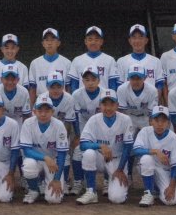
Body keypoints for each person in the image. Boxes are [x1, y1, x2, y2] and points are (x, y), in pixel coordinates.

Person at [76, 90, 133, 205]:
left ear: (117, 105)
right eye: (104, 104)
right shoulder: (94, 120)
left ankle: (111, 184)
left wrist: (120, 169)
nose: (108, 108)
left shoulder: (125, 119)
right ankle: (91, 191)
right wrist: (100, 145)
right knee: (88, 153)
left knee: (117, 199)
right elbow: (83, 144)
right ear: (99, 105)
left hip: (117, 160)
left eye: (111, 104)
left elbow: (128, 146)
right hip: (100, 158)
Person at [20, 96, 69, 204]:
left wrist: (56, 179)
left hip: (53, 162)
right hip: (36, 159)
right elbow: (27, 151)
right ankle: (34, 190)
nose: (43, 114)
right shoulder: (28, 123)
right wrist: (45, 158)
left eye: (47, 111)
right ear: (34, 111)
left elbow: (62, 153)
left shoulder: (59, 125)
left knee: (53, 199)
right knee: (28, 166)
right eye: (40, 111)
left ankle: (50, 183)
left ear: (52, 111)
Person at [37, 71, 78, 192]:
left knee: (65, 155)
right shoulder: (41, 98)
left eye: (58, 86)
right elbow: (38, 120)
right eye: (52, 87)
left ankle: (64, 181)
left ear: (63, 86)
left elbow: (68, 123)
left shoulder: (69, 99)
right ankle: (41, 181)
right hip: (45, 130)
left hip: (62, 130)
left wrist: (63, 140)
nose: (55, 90)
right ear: (47, 86)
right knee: (44, 154)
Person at [133, 105, 176, 207]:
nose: (160, 124)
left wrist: (171, 186)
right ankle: (148, 194)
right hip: (147, 165)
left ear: (168, 122)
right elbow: (136, 150)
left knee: (170, 201)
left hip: (164, 171)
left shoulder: (173, 137)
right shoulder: (145, 131)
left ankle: (157, 189)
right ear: (150, 121)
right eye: (156, 120)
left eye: (163, 121)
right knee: (146, 158)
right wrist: (155, 151)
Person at [117, 64, 158, 184]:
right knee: (127, 144)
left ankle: (153, 176)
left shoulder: (152, 90)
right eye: (132, 78)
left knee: (149, 143)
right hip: (129, 117)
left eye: (138, 78)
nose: (135, 81)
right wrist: (123, 128)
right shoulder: (122, 89)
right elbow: (122, 111)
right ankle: (129, 174)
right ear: (128, 78)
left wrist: (150, 130)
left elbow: (152, 114)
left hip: (145, 117)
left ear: (144, 77)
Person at [69, 66, 107, 196]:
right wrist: (78, 134)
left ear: (99, 79)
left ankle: (107, 182)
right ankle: (78, 182)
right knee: (78, 150)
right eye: (87, 79)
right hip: (84, 123)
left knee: (106, 149)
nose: (90, 82)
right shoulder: (77, 94)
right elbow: (75, 116)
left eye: (93, 79)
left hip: (101, 123)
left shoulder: (105, 93)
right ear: (83, 81)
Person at [117, 24, 164, 104]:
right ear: (130, 40)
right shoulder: (121, 61)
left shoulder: (156, 61)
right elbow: (119, 86)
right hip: (128, 107)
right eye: (134, 38)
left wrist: (153, 103)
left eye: (141, 37)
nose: (137, 41)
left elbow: (159, 85)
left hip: (149, 106)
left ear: (146, 40)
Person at [28, 28, 71, 107]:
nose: (49, 43)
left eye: (52, 40)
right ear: (43, 43)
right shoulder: (35, 63)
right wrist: (31, 107)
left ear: (58, 43)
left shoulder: (66, 63)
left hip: (61, 102)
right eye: (47, 40)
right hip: (41, 104)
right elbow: (32, 88)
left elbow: (68, 87)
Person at [68, 26, 120, 92]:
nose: (93, 42)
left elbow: (112, 85)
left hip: (103, 97)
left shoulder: (110, 60)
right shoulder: (77, 60)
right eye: (90, 39)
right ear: (85, 41)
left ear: (101, 41)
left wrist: (111, 97)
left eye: (97, 39)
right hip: (82, 97)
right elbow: (74, 85)